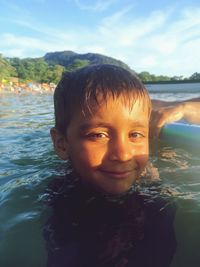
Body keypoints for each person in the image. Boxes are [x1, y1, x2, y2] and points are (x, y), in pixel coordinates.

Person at [44, 64, 176, 267]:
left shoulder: (155, 197)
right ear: (62, 145)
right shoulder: (60, 194)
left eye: (135, 134)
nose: (123, 155)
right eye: (98, 135)